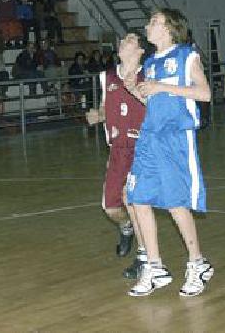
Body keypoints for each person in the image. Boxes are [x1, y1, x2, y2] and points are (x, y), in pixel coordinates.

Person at [125, 9, 214, 298]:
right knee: (137, 197)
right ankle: (155, 267)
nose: (147, 25)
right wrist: (133, 87)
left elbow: (205, 94)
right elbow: (151, 99)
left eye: (153, 21)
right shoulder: (150, 63)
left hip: (175, 136)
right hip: (149, 136)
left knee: (176, 202)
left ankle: (197, 263)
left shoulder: (186, 55)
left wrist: (161, 86)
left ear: (169, 28)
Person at [85, 33, 147, 278]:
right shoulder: (107, 77)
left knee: (131, 200)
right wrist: (98, 116)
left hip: (142, 150)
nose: (123, 40)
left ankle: (145, 257)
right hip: (117, 150)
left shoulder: (148, 76)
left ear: (140, 50)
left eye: (130, 39)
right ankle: (126, 227)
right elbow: (104, 107)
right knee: (111, 207)